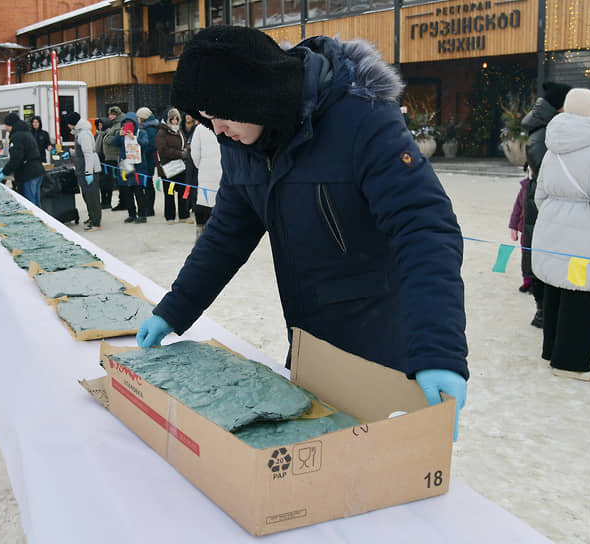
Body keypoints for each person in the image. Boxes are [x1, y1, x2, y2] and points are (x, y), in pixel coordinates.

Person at [135, 26, 468, 440]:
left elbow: (425, 229)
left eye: (219, 113)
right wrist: (175, 308)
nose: (216, 129)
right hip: (308, 341)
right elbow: (226, 234)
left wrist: (439, 350)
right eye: (205, 117)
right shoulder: (241, 144)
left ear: (253, 94)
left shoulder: (360, 119)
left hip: (384, 343)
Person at [531, 88, 590, 382]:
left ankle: (552, 352)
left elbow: (540, 195)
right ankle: (572, 362)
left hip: (552, 230)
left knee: (556, 291)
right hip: (584, 236)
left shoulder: (553, 149)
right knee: (579, 297)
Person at [521, 81, 570, 328]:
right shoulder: (542, 131)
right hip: (541, 202)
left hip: (547, 201)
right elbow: (542, 166)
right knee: (542, 254)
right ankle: (542, 311)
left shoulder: (550, 126)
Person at [0, 113, 45, 207]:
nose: (6, 128)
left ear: (10, 124)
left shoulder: (17, 136)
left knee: (30, 204)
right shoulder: (26, 133)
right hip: (37, 171)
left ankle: (33, 221)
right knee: (36, 202)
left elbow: (16, 159)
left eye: (6, 125)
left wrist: (5, 172)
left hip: (28, 174)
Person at [64, 111, 103, 231]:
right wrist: (71, 153)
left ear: (73, 123)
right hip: (82, 168)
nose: (68, 127)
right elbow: (81, 151)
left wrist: (89, 172)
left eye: (68, 124)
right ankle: (92, 217)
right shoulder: (79, 133)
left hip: (88, 169)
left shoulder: (84, 134)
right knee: (87, 195)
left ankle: (96, 222)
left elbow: (88, 154)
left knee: (92, 196)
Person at [155, 108, 192, 224]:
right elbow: (162, 150)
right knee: (170, 193)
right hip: (169, 169)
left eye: (176, 119)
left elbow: (185, 142)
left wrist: (186, 149)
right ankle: (170, 217)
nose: (175, 121)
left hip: (180, 167)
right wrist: (179, 154)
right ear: (168, 120)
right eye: (172, 119)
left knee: (183, 192)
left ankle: (183, 215)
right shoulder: (162, 133)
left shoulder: (179, 131)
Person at [111, 113, 148, 223]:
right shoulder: (121, 134)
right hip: (125, 166)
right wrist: (119, 135)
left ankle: (142, 215)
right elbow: (113, 143)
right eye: (125, 123)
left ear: (134, 123)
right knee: (127, 192)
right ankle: (131, 214)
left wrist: (134, 138)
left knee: (138, 192)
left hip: (138, 167)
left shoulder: (141, 133)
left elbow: (146, 143)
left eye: (130, 123)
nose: (128, 125)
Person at [188, 117, 221, 240]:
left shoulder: (200, 129)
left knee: (204, 203)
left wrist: (201, 165)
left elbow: (195, 153)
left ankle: (202, 233)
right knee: (221, 202)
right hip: (224, 171)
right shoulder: (225, 126)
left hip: (206, 172)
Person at [509, 166, 532, 292]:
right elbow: (517, 208)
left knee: (536, 257)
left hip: (537, 230)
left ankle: (536, 283)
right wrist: (513, 227)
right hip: (525, 229)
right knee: (525, 256)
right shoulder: (524, 187)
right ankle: (527, 281)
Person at [101, 106, 126, 211]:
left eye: (111, 114)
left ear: (115, 114)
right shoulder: (114, 124)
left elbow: (118, 139)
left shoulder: (120, 124)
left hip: (115, 157)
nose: (109, 116)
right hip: (111, 156)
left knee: (119, 181)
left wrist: (107, 139)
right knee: (116, 180)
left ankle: (123, 202)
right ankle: (122, 201)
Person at [136, 107, 159, 217]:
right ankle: (147, 207)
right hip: (146, 159)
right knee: (147, 184)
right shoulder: (145, 127)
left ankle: (149, 208)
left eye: (139, 117)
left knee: (148, 184)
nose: (137, 119)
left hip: (147, 159)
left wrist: (141, 149)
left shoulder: (149, 129)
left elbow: (151, 146)